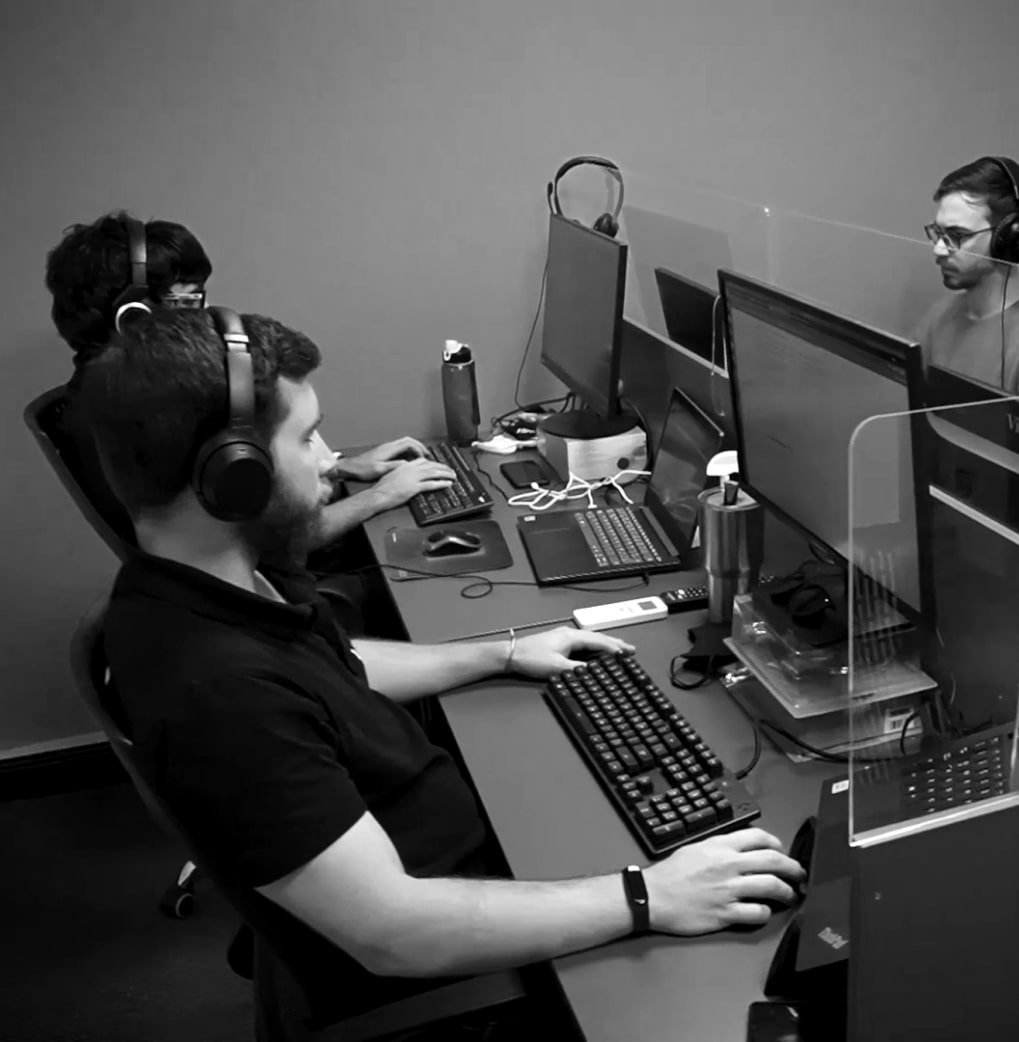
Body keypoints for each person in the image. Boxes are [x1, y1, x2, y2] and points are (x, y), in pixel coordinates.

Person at [83, 307, 804, 1038]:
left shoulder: (214, 586)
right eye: (305, 438)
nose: (332, 459)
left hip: (457, 859)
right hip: (461, 960)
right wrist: (649, 897)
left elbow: (330, 669)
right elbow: (392, 932)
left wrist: (501, 654)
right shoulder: (217, 691)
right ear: (231, 474)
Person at [44, 211, 456, 548]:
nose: (200, 315)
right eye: (185, 301)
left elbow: (251, 486)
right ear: (133, 316)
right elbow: (269, 541)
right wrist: (381, 496)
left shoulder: (116, 397)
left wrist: (339, 469)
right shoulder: (140, 420)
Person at [917, 156, 1019, 418]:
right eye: (938, 234)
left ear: (1007, 239)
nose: (939, 249)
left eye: (956, 236)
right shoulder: (941, 316)